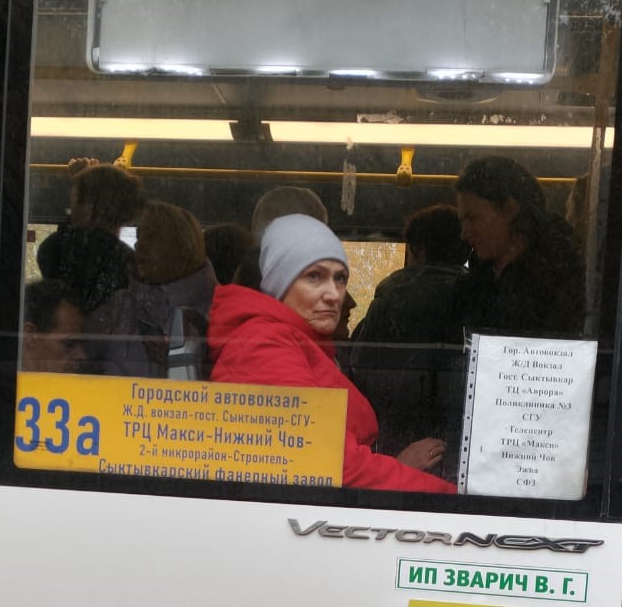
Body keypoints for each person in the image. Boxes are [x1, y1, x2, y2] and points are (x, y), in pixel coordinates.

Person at [207, 214, 455, 493]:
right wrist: (451, 498)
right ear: (280, 282)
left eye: (340, 279)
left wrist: (397, 467)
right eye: (314, 276)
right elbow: (333, 465)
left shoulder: (297, 343)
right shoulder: (264, 347)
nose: (334, 295)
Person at [453, 156, 585, 337]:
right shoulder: (472, 288)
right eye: (462, 222)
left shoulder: (561, 286)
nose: (464, 233)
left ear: (509, 209)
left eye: (472, 218)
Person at [86, 201, 217, 377]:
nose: (139, 245)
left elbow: (230, 379)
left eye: (152, 237)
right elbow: (77, 356)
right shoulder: (120, 307)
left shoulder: (218, 309)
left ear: (183, 246)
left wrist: (183, 361)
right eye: (139, 237)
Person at [351, 204, 469, 346]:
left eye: (409, 254)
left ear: (418, 250)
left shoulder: (390, 300)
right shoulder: (477, 299)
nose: (408, 262)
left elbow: (362, 356)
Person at [37, 162, 143, 313]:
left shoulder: (58, 248)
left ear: (88, 208)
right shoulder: (129, 262)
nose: (71, 211)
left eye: (73, 203)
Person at [21, 279, 87, 374]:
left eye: (82, 345)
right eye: (69, 344)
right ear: (30, 336)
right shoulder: (5, 381)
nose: (82, 355)